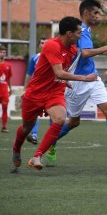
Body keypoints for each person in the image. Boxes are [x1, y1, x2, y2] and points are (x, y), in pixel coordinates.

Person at [44, 0, 107, 166]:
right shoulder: (81, 30)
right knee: (73, 122)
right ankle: (51, 142)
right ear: (85, 13)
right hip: (77, 82)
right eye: (95, 13)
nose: (98, 16)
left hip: (93, 78)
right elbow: (84, 53)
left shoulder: (86, 30)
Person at [11, 16, 98, 170]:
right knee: (26, 128)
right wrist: (84, 78)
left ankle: (37, 156)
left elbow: (61, 72)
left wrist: (65, 81)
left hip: (55, 92)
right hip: (36, 92)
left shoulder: (72, 49)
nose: (80, 36)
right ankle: (16, 148)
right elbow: (59, 73)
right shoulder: (52, 45)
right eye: (79, 33)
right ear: (69, 33)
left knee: (59, 119)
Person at [25, 37, 47, 144]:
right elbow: (29, 75)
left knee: (56, 114)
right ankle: (34, 134)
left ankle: (53, 139)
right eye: (42, 43)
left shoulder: (55, 57)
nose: (44, 45)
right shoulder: (34, 58)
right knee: (35, 113)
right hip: (37, 89)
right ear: (39, 45)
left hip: (51, 89)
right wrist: (26, 89)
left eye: (46, 43)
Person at [0, 45, 12, 133]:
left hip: (4, 91)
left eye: (4, 52)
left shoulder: (8, 65)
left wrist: (10, 88)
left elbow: (9, 78)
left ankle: (4, 127)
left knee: (5, 108)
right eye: (1, 52)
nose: (3, 54)